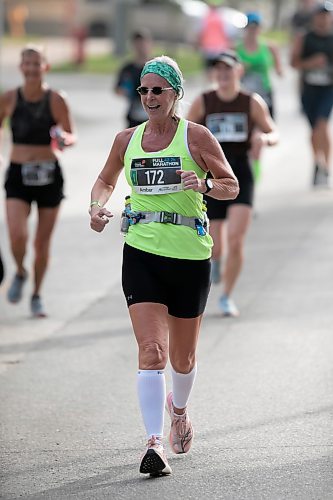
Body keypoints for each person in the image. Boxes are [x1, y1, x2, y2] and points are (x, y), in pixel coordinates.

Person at [89, 55, 239, 476]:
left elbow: (231, 184)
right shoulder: (126, 139)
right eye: (144, 90)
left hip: (190, 256)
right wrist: (96, 206)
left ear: (175, 94)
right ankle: (154, 443)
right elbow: (105, 180)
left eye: (159, 90)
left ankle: (180, 409)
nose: (150, 97)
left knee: (184, 358)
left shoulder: (197, 137)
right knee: (151, 351)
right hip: (141, 252)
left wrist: (206, 183)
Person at [187, 50, 278, 316]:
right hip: (212, 175)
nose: (223, 74)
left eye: (228, 69)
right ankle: (216, 261)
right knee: (215, 242)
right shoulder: (204, 101)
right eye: (219, 69)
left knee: (237, 239)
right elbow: (185, 133)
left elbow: (273, 131)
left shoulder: (251, 102)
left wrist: (263, 139)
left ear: (238, 72)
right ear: (214, 73)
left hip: (240, 172)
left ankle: (226, 295)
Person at [0, 45, 76, 317]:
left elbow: (70, 133)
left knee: (41, 245)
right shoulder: (9, 98)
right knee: (17, 235)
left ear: (46, 67)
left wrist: (65, 139)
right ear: (20, 67)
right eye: (27, 64)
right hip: (18, 174)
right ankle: (20, 271)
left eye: (37, 64)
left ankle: (37, 294)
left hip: (49, 176)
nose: (32, 69)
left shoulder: (56, 99)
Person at [236, 12, 282, 183]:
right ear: (246, 28)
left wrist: (276, 67)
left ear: (260, 28)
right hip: (242, 100)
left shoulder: (269, 47)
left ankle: (251, 181)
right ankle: (247, 175)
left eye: (256, 27)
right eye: (250, 27)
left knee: (257, 140)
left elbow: (279, 71)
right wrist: (242, 68)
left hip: (263, 98)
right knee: (245, 141)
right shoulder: (236, 49)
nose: (253, 30)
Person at [290, 2, 333, 186]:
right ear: (314, 17)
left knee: (323, 124)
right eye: (320, 15)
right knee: (314, 129)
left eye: (326, 15)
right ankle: (317, 161)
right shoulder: (305, 38)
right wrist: (312, 63)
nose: (323, 19)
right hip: (308, 90)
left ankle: (326, 167)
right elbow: (294, 63)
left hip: (328, 89)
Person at [114, 29, 152, 128]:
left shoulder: (155, 67)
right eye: (137, 44)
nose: (140, 48)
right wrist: (126, 90)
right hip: (134, 114)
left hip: (153, 114)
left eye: (142, 44)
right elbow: (117, 89)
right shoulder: (127, 69)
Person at [195, 1, 230, 75]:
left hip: (209, 48)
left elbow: (201, 32)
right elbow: (226, 33)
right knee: (217, 69)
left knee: (209, 69)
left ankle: (212, 84)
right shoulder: (221, 17)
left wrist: (197, 43)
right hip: (219, 48)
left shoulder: (206, 17)